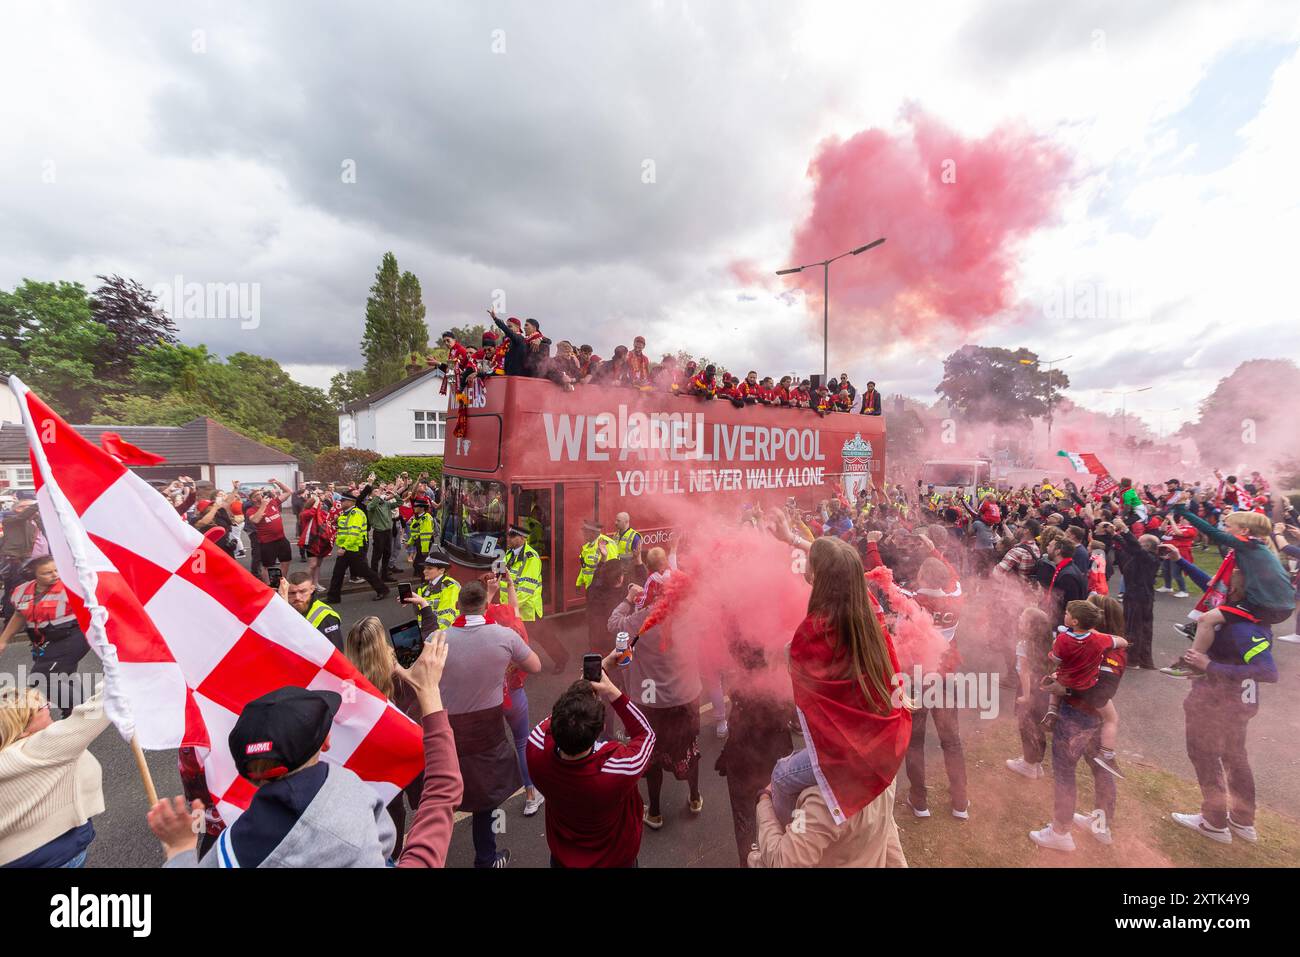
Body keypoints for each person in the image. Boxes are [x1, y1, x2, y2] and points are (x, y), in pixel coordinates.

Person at [150, 634, 465, 868]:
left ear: (248, 772)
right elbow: (441, 793)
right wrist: (430, 694)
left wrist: (181, 850)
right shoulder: (355, 820)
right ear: (326, 744)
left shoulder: (228, 853)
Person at [766, 538, 911, 837]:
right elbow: (839, 560)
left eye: (811, 568)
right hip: (887, 735)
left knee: (781, 776)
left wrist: (783, 653)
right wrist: (791, 537)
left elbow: (794, 664)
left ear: (818, 577)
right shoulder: (868, 608)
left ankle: (783, 841)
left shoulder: (817, 631)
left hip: (856, 754)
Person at [1168, 569, 1278, 844]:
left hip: (1218, 704)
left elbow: (1267, 671)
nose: (1220, 590)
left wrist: (1210, 666)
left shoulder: (1242, 628)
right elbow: (1209, 582)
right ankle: (1242, 821)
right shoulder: (1252, 617)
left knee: (1205, 755)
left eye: (1227, 586)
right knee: (1234, 758)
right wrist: (1180, 560)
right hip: (1235, 703)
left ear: (1238, 592)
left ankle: (1214, 821)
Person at [439, 581, 542, 867]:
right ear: (486, 606)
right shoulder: (504, 635)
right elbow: (535, 666)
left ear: (458, 605)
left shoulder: (439, 638)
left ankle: (430, 856)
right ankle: (486, 859)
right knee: (485, 796)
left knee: (444, 796)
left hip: (449, 730)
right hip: (488, 727)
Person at [525, 651, 656, 867]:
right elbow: (646, 735)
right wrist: (612, 690)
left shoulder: (535, 748)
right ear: (601, 729)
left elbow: (564, 715)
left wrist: (587, 682)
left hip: (562, 861)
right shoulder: (617, 771)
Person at [608, 580, 703, 830]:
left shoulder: (641, 618)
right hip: (686, 698)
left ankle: (656, 813)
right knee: (689, 751)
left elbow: (613, 624)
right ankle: (695, 798)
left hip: (651, 704)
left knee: (652, 757)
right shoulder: (693, 615)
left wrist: (629, 598)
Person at [1, 685, 111, 867]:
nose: (49, 706)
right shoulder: (38, 748)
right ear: (21, 729)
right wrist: (116, 666)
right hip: (56, 857)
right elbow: (101, 707)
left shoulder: (8, 757)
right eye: (40, 708)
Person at [1039, 600, 1129, 779]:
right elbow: (1123, 642)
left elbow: (1102, 694)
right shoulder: (1101, 641)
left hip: (1079, 710)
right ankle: (1107, 755)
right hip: (1082, 705)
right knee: (1087, 767)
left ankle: (1052, 711)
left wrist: (1067, 691)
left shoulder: (1067, 639)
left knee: (1065, 770)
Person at [0, 556, 91, 718]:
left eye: (56, 570)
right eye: (47, 573)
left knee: (40, 679)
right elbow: (19, 615)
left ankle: (82, 710)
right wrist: (3, 640)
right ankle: (72, 717)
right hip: (46, 641)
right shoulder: (22, 591)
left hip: (74, 636)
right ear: (33, 573)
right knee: (64, 677)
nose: (54, 575)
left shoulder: (70, 587)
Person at [1006, 606, 1054, 779]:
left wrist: (1026, 697)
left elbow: (1024, 673)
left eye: (1022, 619)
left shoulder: (1023, 645)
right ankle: (1036, 763)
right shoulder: (1050, 642)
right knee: (1038, 727)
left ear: (1031, 626)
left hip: (1029, 690)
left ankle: (1028, 765)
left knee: (1026, 727)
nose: (1019, 619)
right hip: (1044, 690)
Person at [325, 489, 389, 604]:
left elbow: (353, 534)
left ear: (350, 502)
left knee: (365, 572)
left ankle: (382, 589)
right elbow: (344, 529)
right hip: (348, 548)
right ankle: (333, 597)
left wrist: (344, 548)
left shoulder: (356, 514)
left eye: (343, 501)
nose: (341, 503)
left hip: (354, 548)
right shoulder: (346, 514)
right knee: (338, 573)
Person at [246, 479, 294, 584]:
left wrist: (277, 482)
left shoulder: (273, 502)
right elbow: (255, 520)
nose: (261, 495)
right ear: (253, 499)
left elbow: (289, 492)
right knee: (268, 566)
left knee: (286, 561)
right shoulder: (251, 510)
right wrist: (263, 505)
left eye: (261, 493)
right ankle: (270, 586)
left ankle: (281, 582)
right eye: (258, 494)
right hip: (267, 542)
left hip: (281, 538)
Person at [280, 571, 343, 651]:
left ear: (312, 589)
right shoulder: (284, 607)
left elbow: (336, 653)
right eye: (292, 593)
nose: (297, 597)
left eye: (302, 591)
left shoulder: (327, 617)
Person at [407, 550, 461, 635]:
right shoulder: (423, 588)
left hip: (441, 635)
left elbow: (447, 617)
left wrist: (434, 636)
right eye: (425, 568)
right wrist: (413, 601)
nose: (424, 571)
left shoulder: (450, 586)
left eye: (429, 568)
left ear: (442, 570)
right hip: (426, 632)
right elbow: (422, 612)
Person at [574, 519, 617, 591]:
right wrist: (579, 582)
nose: (583, 534)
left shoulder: (607, 544)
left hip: (602, 589)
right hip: (590, 588)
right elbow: (585, 567)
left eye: (585, 532)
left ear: (593, 533)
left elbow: (612, 569)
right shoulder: (587, 546)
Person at [407, 496, 435, 570]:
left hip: (424, 543)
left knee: (421, 562)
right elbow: (415, 533)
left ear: (422, 508)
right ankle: (418, 572)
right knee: (418, 561)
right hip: (419, 542)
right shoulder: (418, 517)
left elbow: (426, 536)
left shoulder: (426, 518)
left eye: (416, 506)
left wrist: (425, 549)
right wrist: (409, 542)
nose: (414, 508)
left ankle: (422, 577)